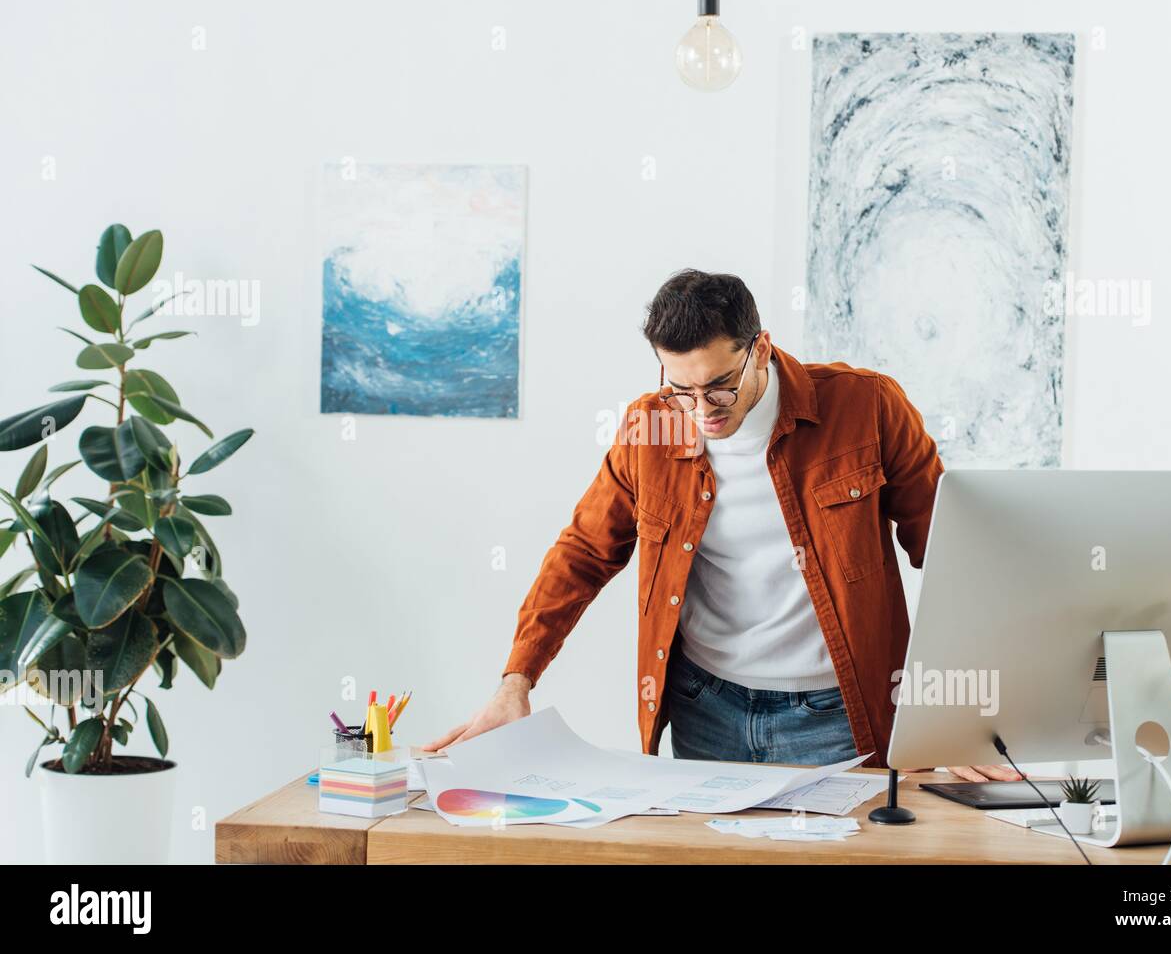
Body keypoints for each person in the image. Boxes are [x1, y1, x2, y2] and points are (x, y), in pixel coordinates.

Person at [426, 269, 1020, 782]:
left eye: (719, 387)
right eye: (680, 389)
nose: (701, 410)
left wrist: (960, 712)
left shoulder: (866, 406)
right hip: (703, 708)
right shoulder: (649, 427)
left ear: (760, 349)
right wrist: (516, 681)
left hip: (840, 715)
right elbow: (583, 552)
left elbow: (949, 556)